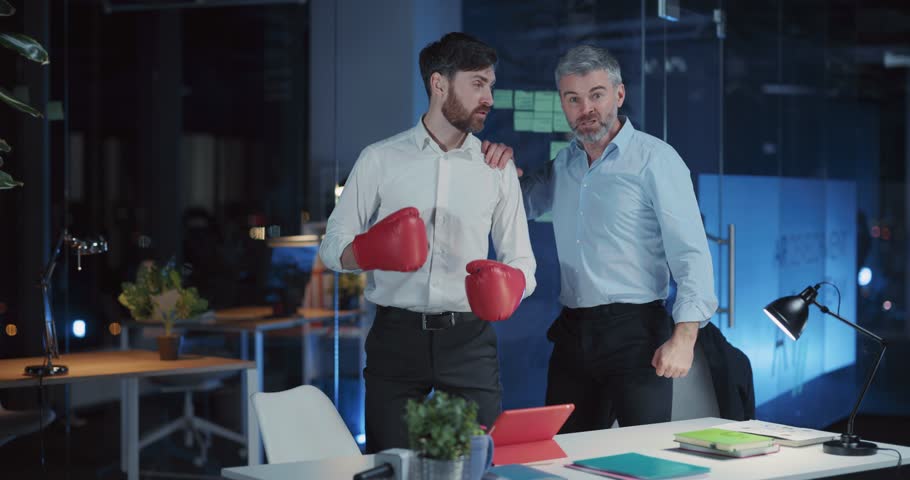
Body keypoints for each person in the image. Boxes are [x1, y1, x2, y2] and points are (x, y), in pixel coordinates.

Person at [318, 32, 536, 453]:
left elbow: (523, 264)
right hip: (395, 338)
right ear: (439, 84)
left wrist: (508, 287)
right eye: (477, 83)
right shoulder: (380, 159)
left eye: (490, 84)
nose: (488, 96)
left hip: (469, 340)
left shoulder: (496, 168)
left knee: (481, 463)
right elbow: (332, 246)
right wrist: (369, 250)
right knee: (392, 464)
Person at [483, 45, 717, 432]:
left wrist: (685, 338)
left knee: (640, 457)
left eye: (596, 95)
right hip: (575, 333)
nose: (585, 108)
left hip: (637, 335)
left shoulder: (655, 160)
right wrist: (497, 166)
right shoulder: (565, 162)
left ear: (619, 94)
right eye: (573, 99)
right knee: (561, 454)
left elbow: (691, 253)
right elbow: (517, 205)